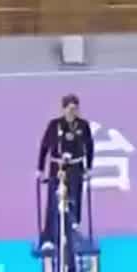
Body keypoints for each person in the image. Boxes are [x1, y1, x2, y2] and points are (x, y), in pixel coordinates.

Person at [36, 93, 94, 250]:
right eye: (70, 109)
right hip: (57, 167)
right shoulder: (54, 125)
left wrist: (89, 167)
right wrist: (40, 169)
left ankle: (74, 232)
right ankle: (50, 237)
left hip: (76, 167)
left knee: (74, 199)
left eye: (75, 109)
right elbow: (44, 147)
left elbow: (89, 147)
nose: (72, 112)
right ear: (63, 109)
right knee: (54, 200)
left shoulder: (83, 125)